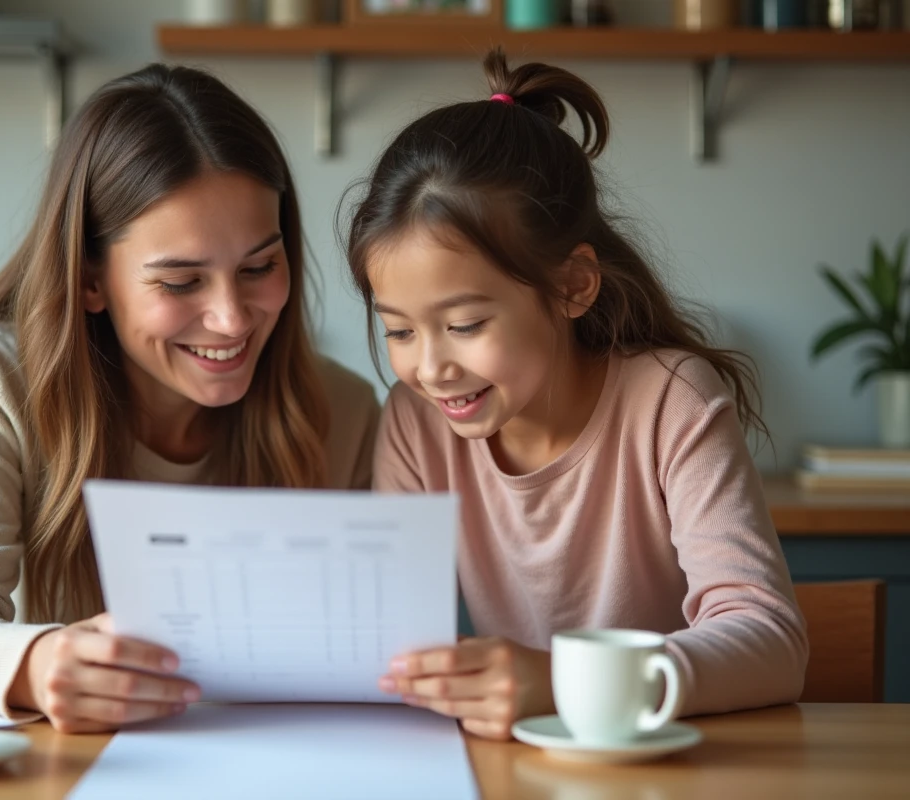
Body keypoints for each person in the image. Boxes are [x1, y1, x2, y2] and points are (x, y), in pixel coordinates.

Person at [0, 63, 380, 733]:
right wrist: (36, 661)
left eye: (260, 267)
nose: (232, 319)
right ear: (92, 281)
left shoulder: (345, 410)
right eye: (180, 283)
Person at [344, 50, 807, 741]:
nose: (431, 367)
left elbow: (770, 640)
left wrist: (565, 680)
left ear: (572, 286)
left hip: (665, 766)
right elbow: (382, 634)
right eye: (400, 331)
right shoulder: (415, 423)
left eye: (465, 325)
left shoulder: (670, 400)